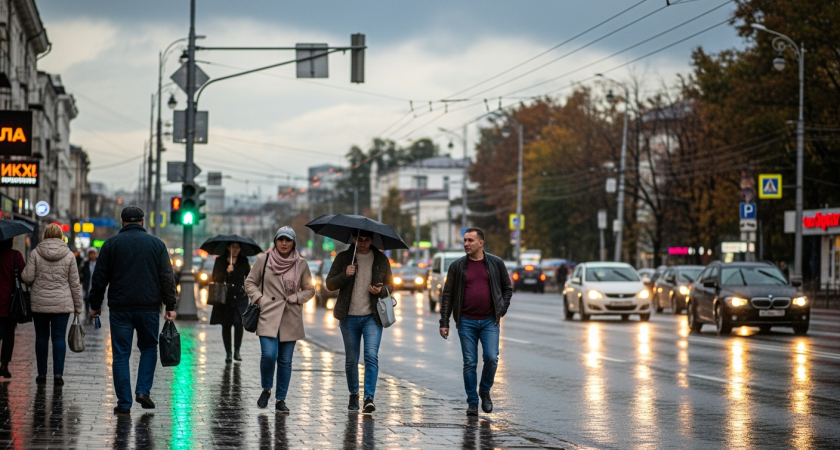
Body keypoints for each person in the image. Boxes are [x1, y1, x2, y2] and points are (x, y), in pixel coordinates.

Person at [88, 206, 177, 414]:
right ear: (143, 222)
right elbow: (167, 277)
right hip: (148, 307)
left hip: (120, 308)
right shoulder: (157, 244)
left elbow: (99, 278)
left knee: (120, 355)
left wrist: (95, 305)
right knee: (148, 348)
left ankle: (124, 403)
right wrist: (170, 305)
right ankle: (143, 391)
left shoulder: (111, 244)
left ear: (122, 223)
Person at [439, 227, 512, 416]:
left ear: (481, 243)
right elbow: (447, 294)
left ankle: (484, 391)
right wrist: (444, 321)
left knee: (491, 358)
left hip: (489, 321)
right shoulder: (457, 266)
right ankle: (472, 402)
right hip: (466, 321)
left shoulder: (496, 263)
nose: (466, 244)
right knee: (470, 362)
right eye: (465, 240)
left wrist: (500, 310)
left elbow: (507, 289)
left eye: (470, 240)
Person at [244, 226, 314, 414]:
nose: (284, 243)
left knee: (285, 361)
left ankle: (280, 399)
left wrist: (297, 297)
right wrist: (260, 299)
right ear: (275, 241)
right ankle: (266, 388)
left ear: (293, 243)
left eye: (288, 240)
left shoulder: (301, 263)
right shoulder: (263, 260)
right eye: (281, 239)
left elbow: (310, 289)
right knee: (269, 354)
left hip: (290, 316)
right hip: (268, 314)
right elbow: (249, 282)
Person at [326, 229, 394, 414]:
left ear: (372, 240)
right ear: (353, 239)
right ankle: (354, 393)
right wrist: (345, 274)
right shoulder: (343, 258)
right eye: (359, 239)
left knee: (371, 356)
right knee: (351, 359)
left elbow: (391, 284)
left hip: (373, 316)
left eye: (366, 240)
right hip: (349, 317)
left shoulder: (381, 259)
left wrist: (380, 290)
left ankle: (369, 398)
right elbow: (330, 284)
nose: (362, 243)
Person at [21, 224, 83, 386]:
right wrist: (78, 306)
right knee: (58, 338)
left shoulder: (35, 253)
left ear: (45, 235)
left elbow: (27, 278)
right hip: (62, 304)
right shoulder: (69, 256)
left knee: (41, 337)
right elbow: (75, 283)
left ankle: (42, 374)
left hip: (40, 302)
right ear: (61, 236)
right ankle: (57, 375)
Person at [210, 242, 251, 363]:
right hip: (225, 298)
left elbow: (249, 276)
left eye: (238, 248)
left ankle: (237, 350)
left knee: (239, 324)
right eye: (233, 247)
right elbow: (215, 277)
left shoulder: (243, 260)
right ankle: (228, 352)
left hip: (240, 297)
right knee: (226, 325)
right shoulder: (220, 260)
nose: (236, 250)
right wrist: (226, 271)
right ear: (228, 247)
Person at [0, 237, 24, 378]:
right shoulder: (16, 255)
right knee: (9, 336)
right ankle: (4, 365)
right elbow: (24, 275)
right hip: (10, 302)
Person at [79, 248, 98, 318]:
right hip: (87, 284)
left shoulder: (99, 262)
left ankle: (92, 313)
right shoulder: (85, 263)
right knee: (87, 299)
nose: (92, 255)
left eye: (94, 254)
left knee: (94, 300)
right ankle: (87, 312)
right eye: (91, 254)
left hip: (96, 285)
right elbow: (81, 273)